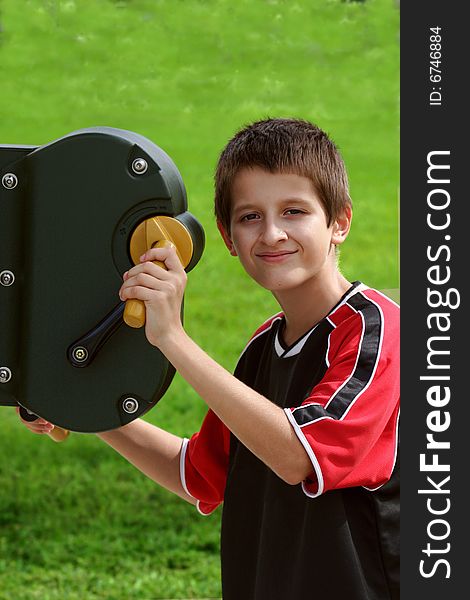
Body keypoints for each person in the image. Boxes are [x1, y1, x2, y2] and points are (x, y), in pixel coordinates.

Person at [20, 118, 400, 599]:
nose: (273, 234)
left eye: (294, 211)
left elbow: (299, 456)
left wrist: (172, 338)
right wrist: (79, 405)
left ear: (339, 222)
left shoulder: (379, 332)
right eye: (250, 217)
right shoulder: (264, 348)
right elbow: (197, 474)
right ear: (227, 237)